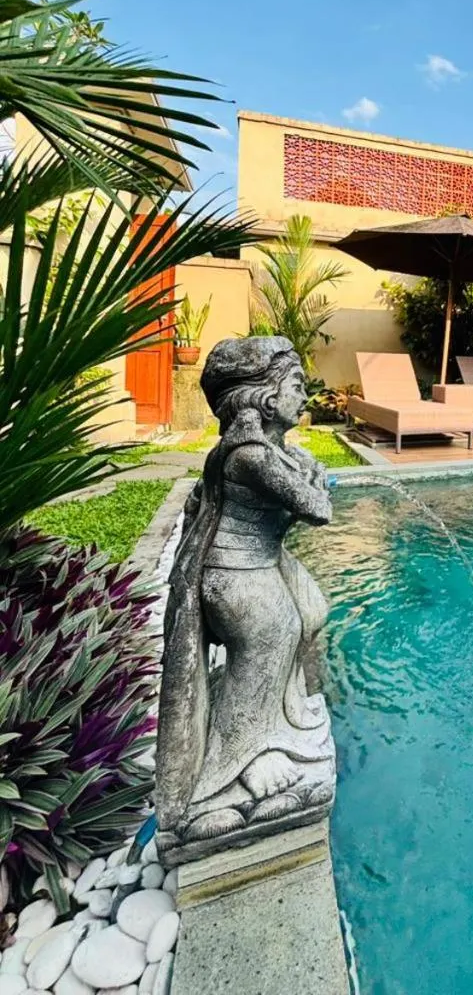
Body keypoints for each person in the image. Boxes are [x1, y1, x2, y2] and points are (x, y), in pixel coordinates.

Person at [156, 336, 337, 853]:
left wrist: (310, 474)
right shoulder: (250, 456)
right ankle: (234, 769)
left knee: (309, 609)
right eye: (297, 386)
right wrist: (316, 481)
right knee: (271, 637)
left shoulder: (267, 451)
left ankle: (282, 719)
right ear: (264, 397)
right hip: (234, 574)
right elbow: (317, 508)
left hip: (259, 562)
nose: (306, 396)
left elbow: (303, 489)